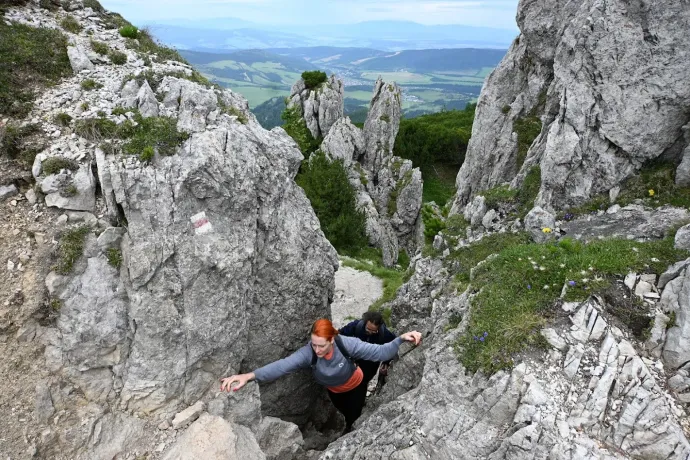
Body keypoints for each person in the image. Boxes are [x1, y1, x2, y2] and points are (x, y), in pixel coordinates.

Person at [220, 318, 422, 434]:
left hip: (356, 386)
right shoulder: (309, 352)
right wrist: (249, 375)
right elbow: (282, 366)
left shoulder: (346, 344)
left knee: (354, 415)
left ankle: (351, 431)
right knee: (340, 408)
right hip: (334, 391)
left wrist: (401, 339)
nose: (316, 349)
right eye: (313, 344)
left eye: (321, 345)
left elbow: (380, 352)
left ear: (332, 340)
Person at [339, 311, 396, 390]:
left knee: (362, 383)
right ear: (365, 323)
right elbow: (340, 335)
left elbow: (392, 346)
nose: (370, 332)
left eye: (374, 331)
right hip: (354, 359)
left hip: (370, 364)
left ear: (379, 327)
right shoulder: (356, 326)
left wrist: (386, 362)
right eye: (368, 329)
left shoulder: (384, 334)